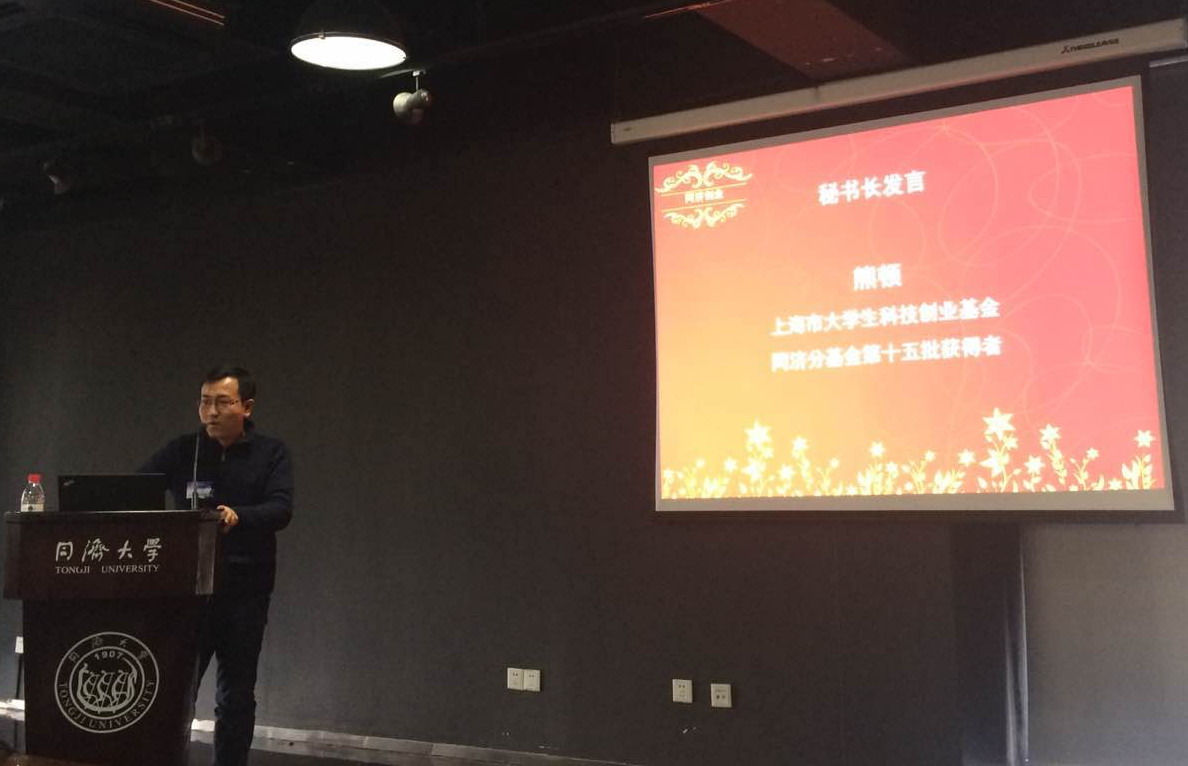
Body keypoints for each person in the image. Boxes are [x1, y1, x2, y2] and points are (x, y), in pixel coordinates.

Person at [140, 365, 294, 766]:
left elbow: (281, 508)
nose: (211, 411)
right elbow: (137, 487)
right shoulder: (183, 450)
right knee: (177, 689)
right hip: (189, 589)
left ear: (246, 407)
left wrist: (239, 515)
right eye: (205, 402)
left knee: (235, 694)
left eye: (222, 402)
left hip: (245, 590)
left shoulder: (270, 453)